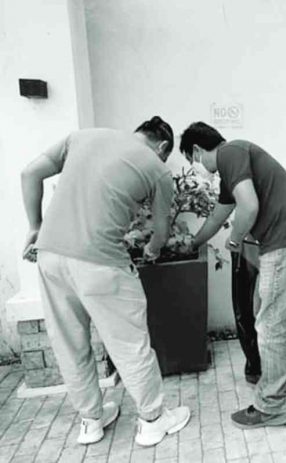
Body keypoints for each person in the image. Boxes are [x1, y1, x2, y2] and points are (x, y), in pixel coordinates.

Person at [21, 117, 191, 447]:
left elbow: (29, 172)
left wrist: (34, 225)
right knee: (129, 344)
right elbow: (161, 230)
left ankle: (91, 422)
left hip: (50, 258)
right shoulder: (156, 168)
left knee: (69, 343)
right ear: (163, 147)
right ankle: (153, 420)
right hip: (101, 263)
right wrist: (153, 250)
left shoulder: (81, 137)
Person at [179, 122, 286, 429]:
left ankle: (271, 407)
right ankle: (278, 385)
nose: (198, 167)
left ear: (197, 150)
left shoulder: (231, 152)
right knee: (269, 319)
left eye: (194, 161)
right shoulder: (235, 167)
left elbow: (249, 206)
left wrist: (236, 238)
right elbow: (219, 216)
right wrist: (191, 243)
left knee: (270, 325)